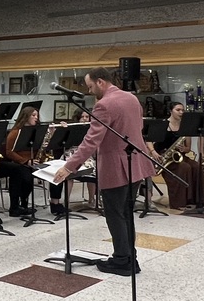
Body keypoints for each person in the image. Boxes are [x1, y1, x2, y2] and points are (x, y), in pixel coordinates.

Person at [54, 67, 154, 276]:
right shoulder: (131, 98)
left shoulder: (104, 105)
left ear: (100, 81)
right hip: (135, 164)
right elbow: (138, 128)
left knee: (115, 214)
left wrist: (69, 166)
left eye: (91, 86)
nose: (90, 91)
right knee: (126, 213)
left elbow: (91, 141)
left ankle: (121, 261)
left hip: (116, 168)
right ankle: (130, 257)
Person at [147, 102, 204, 209]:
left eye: (182, 110)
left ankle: (196, 200)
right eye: (178, 110)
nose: (181, 112)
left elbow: (188, 148)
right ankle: (179, 202)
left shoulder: (185, 126)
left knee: (197, 166)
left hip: (179, 155)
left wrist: (184, 149)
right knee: (184, 167)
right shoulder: (163, 124)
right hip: (163, 157)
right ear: (170, 111)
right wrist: (153, 151)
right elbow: (148, 139)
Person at [3, 106, 38, 216]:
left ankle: (24, 204)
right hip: (18, 163)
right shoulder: (15, 132)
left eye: (37, 115)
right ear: (26, 117)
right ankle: (16, 206)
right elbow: (9, 152)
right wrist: (25, 161)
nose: (36, 118)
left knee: (30, 179)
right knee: (26, 178)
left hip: (32, 162)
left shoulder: (36, 132)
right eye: (33, 115)